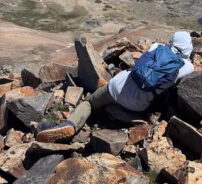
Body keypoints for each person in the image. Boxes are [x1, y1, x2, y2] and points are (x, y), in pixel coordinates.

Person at [36, 31, 194, 143]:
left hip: (116, 87)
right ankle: (119, 115)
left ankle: (71, 124)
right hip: (138, 105)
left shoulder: (157, 47)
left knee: (89, 103)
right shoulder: (187, 67)